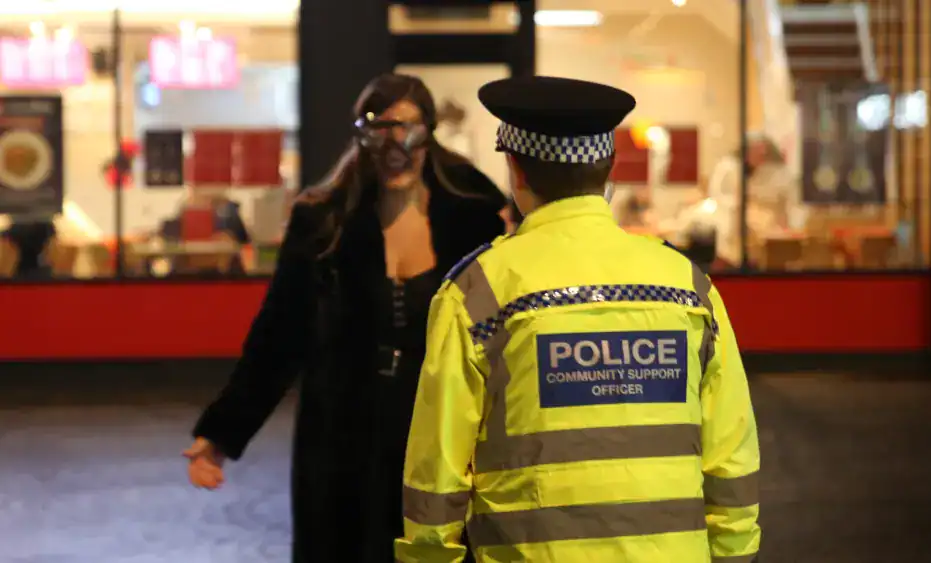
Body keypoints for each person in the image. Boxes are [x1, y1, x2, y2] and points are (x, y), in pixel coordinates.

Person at [395, 76, 761, 563]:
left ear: (516, 171)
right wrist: (735, 554)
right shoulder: (688, 287)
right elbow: (730, 453)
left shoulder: (477, 293)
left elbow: (437, 470)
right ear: (608, 168)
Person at [183, 73, 506, 562]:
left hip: (439, 428)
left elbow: (501, 330)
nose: (394, 147)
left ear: (430, 134)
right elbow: (278, 334)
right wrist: (221, 434)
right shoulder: (323, 219)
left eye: (408, 131)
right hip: (341, 431)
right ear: (362, 136)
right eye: (379, 131)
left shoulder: (473, 213)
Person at [706, 133, 803, 267]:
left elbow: (790, 204)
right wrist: (738, 205)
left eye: (763, 151)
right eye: (755, 151)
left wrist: (789, 225)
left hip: (770, 239)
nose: (760, 155)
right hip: (734, 241)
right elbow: (718, 195)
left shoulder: (778, 173)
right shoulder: (729, 168)